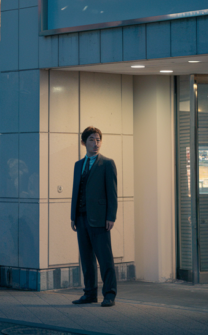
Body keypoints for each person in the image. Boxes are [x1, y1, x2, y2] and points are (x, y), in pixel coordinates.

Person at [70, 127, 118, 307]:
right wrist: (73, 216)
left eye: (98, 140)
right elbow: (76, 191)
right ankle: (89, 293)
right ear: (84, 142)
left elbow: (112, 193)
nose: (96, 143)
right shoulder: (78, 165)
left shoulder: (107, 163)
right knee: (86, 259)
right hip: (81, 218)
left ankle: (110, 294)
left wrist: (111, 216)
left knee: (105, 258)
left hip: (99, 218)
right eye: (92, 139)